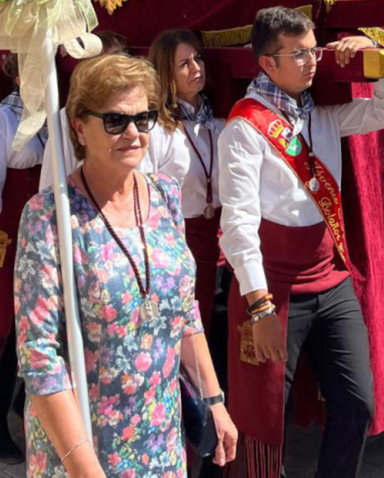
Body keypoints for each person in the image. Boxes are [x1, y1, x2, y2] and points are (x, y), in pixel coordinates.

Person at [16, 53, 237, 476]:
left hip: (160, 434)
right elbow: (39, 357)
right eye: (116, 121)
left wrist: (214, 400)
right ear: (79, 127)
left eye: (144, 118)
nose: (133, 133)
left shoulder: (166, 195)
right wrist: (84, 467)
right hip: (85, 442)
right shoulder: (51, 217)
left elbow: (184, 310)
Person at [218, 7, 384, 478]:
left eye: (314, 51)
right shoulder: (244, 128)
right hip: (271, 290)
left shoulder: (322, 116)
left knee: (357, 402)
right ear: (267, 63)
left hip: (329, 280)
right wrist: (260, 308)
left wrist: (375, 58)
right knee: (261, 419)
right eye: (299, 54)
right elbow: (238, 225)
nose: (312, 62)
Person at [0, 52, 45, 464]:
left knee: (37, 327)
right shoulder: (0, 121)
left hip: (44, 232)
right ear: (15, 76)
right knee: (2, 328)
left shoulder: (54, 116)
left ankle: (23, 404)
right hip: (8, 231)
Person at [148, 28, 226, 335]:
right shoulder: (156, 130)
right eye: (184, 64)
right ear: (166, 73)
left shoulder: (218, 123)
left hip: (222, 244)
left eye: (198, 59)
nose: (196, 69)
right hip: (179, 245)